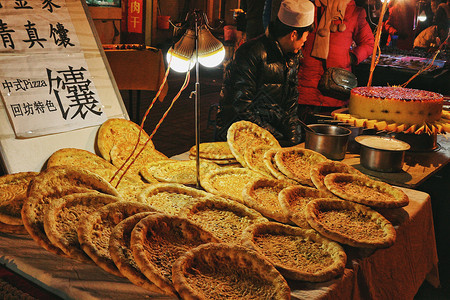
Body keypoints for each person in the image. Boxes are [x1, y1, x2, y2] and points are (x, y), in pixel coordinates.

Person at [215, 0, 315, 146]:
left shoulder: (292, 57)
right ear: (294, 34)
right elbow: (241, 108)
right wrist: (275, 137)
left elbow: (291, 104)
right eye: (304, 37)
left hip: (271, 139)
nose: (304, 42)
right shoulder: (250, 53)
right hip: (239, 138)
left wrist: (293, 133)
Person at [297, 0, 374, 123]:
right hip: (307, 85)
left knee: (330, 136)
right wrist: (300, 54)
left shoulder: (355, 12)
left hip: (336, 88)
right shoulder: (310, 7)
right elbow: (295, 33)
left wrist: (351, 57)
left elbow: (369, 43)